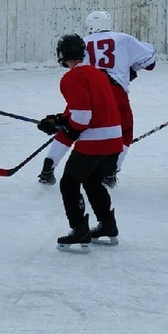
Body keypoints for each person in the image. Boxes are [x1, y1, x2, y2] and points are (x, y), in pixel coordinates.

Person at [38, 11, 156, 188]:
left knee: (70, 126)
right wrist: (130, 67)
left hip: (87, 88)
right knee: (124, 131)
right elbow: (150, 63)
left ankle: (49, 165)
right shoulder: (123, 38)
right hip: (115, 91)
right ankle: (110, 173)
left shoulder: (83, 42)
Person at [39, 34, 124, 252]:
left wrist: (66, 127)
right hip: (114, 141)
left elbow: (82, 118)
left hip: (94, 143)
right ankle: (107, 225)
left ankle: (79, 230)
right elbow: (84, 112)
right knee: (93, 182)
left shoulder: (71, 78)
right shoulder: (97, 73)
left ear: (61, 55)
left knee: (69, 183)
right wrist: (59, 121)